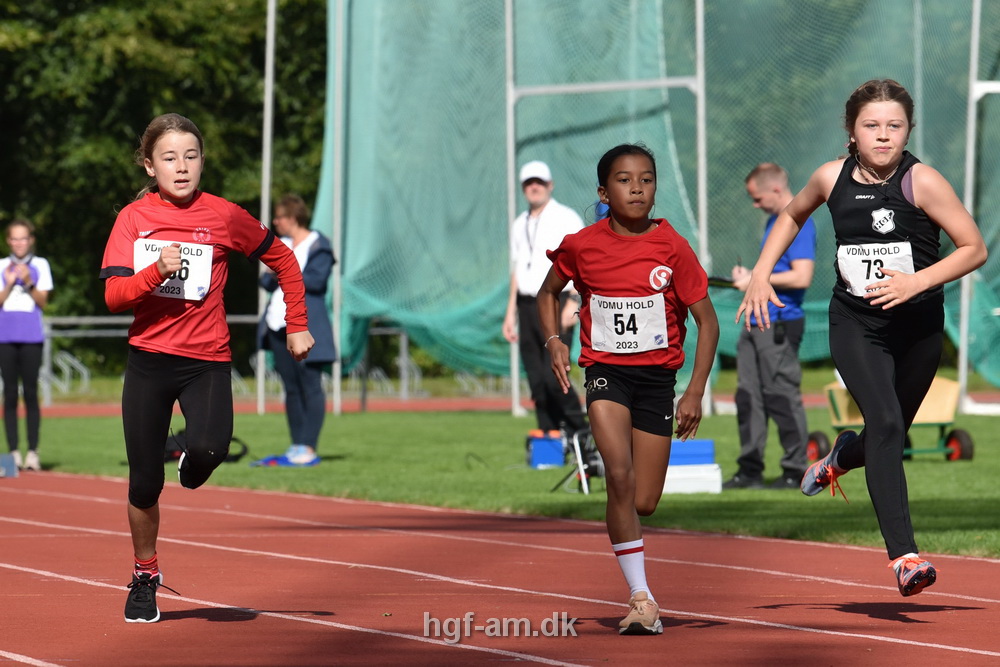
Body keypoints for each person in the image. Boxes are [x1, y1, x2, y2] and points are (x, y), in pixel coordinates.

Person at [737, 79, 987, 597]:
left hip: (918, 328)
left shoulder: (923, 182)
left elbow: (973, 248)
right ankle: (905, 558)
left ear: (908, 131)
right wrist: (761, 272)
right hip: (857, 324)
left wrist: (917, 281)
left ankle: (841, 457)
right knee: (888, 424)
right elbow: (792, 214)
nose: (883, 135)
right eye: (872, 125)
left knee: (885, 437)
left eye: (895, 125)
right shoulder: (830, 177)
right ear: (851, 130)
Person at [99, 113, 314, 623]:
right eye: (169, 158)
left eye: (191, 156)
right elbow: (113, 295)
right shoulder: (132, 218)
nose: (181, 167)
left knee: (210, 450)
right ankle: (145, 575)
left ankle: (193, 459)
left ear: (202, 162)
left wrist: (297, 324)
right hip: (149, 362)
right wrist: (155, 272)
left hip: (207, 361)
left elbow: (284, 259)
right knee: (144, 484)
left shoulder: (223, 215)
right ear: (149, 166)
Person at [538, 143, 719, 635]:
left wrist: (695, 392)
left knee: (643, 501)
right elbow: (547, 292)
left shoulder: (673, 247)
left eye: (646, 179)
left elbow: (708, 322)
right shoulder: (582, 245)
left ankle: (638, 578)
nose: (636, 188)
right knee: (617, 475)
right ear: (604, 192)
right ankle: (641, 597)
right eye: (624, 180)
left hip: (657, 381)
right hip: (606, 374)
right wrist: (554, 340)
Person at [723, 163, 816, 490]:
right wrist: (751, 277)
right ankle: (750, 470)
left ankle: (795, 470)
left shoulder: (799, 221)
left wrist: (756, 278)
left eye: (757, 197)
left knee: (781, 394)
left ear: (776, 190)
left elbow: (802, 276)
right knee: (748, 395)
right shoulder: (773, 222)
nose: (755, 204)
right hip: (755, 320)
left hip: (780, 323)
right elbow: (771, 271)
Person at [503, 160, 587, 437]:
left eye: (539, 182)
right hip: (527, 304)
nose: (534, 187)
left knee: (555, 376)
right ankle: (549, 439)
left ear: (550, 185)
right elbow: (517, 269)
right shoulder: (519, 224)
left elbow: (582, 262)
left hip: (557, 301)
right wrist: (510, 314)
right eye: (529, 183)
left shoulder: (566, 217)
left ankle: (584, 435)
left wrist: (574, 301)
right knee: (536, 380)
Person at [257, 194, 336, 466]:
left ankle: (309, 447)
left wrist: (284, 272)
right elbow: (266, 282)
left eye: (279, 217)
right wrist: (272, 273)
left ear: (292, 218)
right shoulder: (282, 244)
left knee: (310, 385)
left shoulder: (318, 244)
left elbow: (316, 281)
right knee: (291, 387)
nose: (275, 222)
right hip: (277, 325)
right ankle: (296, 445)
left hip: (305, 326)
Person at [0, 219, 53, 472]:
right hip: (5, 338)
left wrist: (29, 282)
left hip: (32, 337)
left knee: (31, 393)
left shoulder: (41, 264)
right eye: (15, 238)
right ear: (8, 241)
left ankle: (33, 452)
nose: (19, 243)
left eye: (24, 238)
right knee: (10, 394)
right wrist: (10, 282)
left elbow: (43, 302)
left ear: (31, 240)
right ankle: (12, 454)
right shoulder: (2, 266)